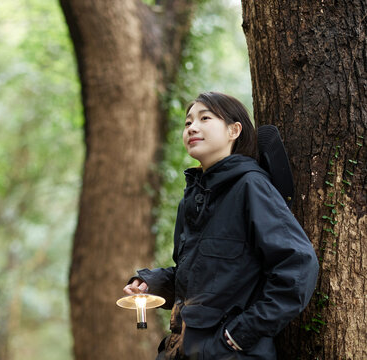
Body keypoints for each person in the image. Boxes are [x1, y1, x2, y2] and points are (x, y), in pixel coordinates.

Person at [123, 92, 319, 359]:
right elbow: (196, 278)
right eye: (188, 122)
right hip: (180, 350)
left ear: (233, 130)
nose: (192, 127)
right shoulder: (190, 200)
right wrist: (150, 283)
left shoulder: (251, 186)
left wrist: (239, 335)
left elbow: (298, 266)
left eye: (205, 118)